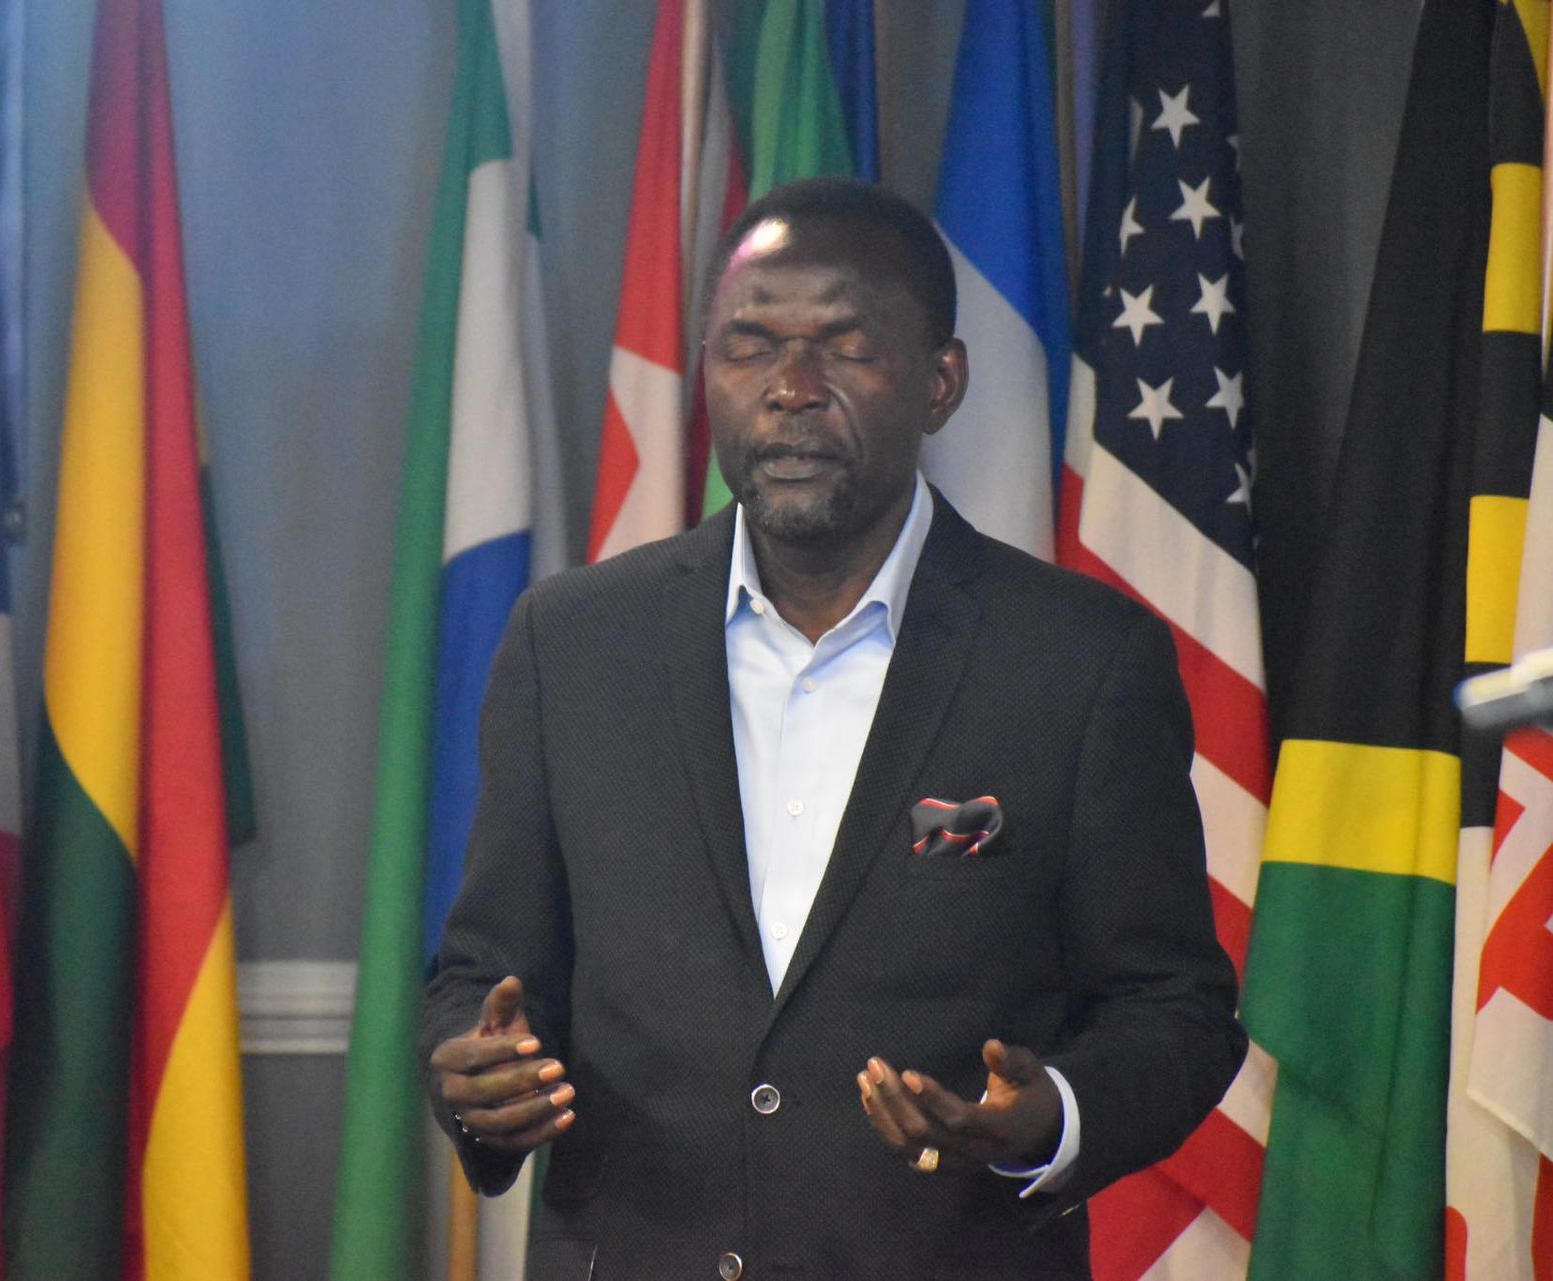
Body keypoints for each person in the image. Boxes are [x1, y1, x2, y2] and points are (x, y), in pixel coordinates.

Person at [421, 177, 1244, 1279]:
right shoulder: (569, 645)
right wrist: (479, 1071)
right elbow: (483, 970)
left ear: (941, 382)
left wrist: (1048, 1115)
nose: (791, 390)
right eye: (750, 347)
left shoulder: (1081, 662)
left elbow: (1176, 1008)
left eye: (845, 349)